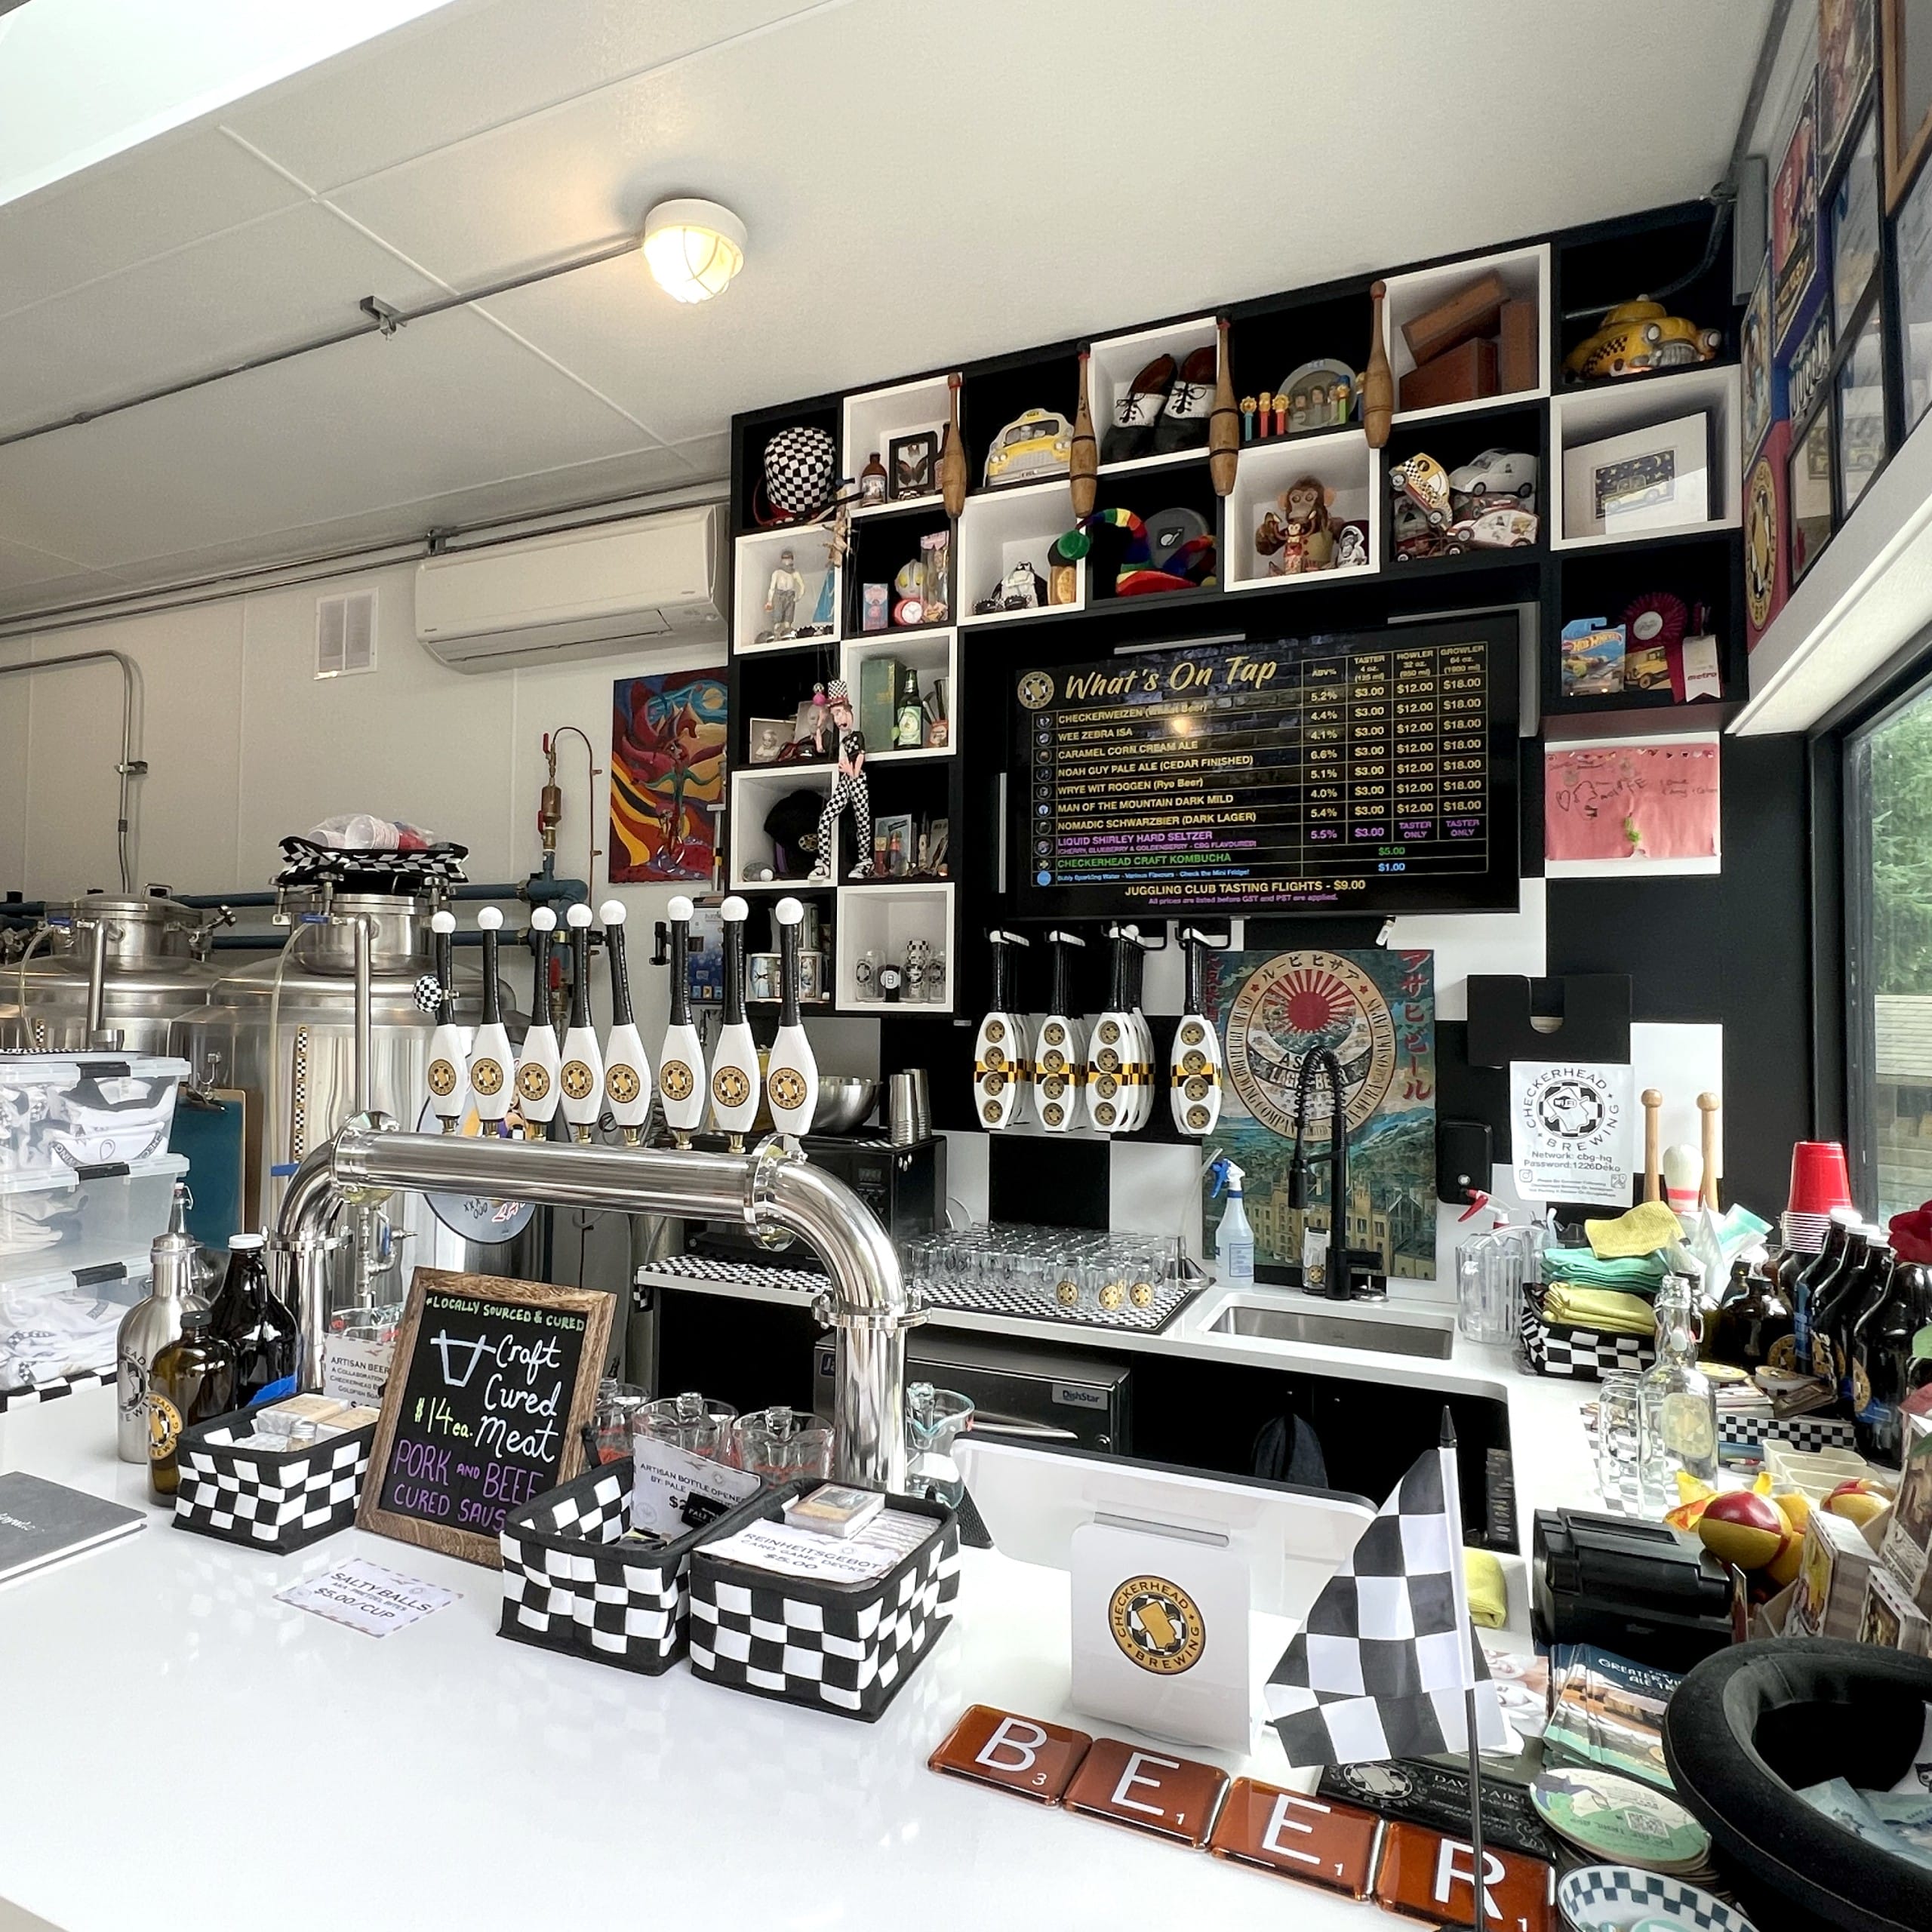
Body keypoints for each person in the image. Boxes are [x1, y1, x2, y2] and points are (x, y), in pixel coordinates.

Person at [808, 679, 872, 881]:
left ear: (848, 710)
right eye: (834, 715)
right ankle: (824, 863)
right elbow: (821, 749)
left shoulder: (857, 737)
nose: (837, 720)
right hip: (845, 781)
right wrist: (820, 726)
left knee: (863, 823)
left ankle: (865, 861)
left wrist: (851, 771)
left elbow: (860, 758)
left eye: (839, 714)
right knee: (825, 819)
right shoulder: (844, 739)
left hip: (856, 779)